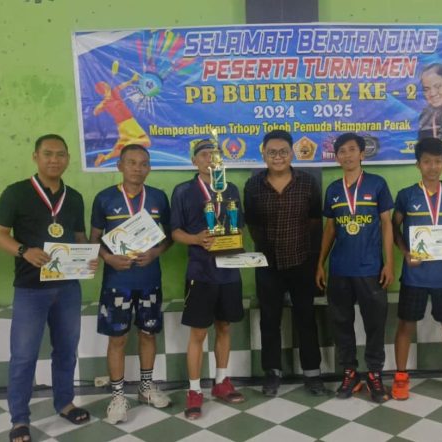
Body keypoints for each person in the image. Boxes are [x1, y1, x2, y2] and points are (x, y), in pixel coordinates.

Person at [0, 134, 97, 442]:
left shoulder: (74, 197)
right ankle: (19, 420)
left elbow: (78, 239)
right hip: (30, 289)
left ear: (67, 159)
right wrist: (24, 250)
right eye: (48, 154)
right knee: (24, 355)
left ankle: (64, 403)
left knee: (66, 350)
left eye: (61, 155)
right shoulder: (16, 193)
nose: (55, 160)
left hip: (67, 287)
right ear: (35, 156)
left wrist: (88, 258)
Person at [90, 144, 172, 424]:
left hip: (150, 280)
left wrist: (155, 253)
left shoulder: (159, 198)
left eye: (144, 163)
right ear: (120, 166)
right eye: (132, 162)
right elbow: (94, 240)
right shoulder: (104, 198)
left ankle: (146, 388)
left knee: (149, 334)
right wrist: (108, 259)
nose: (138, 168)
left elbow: (168, 238)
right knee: (118, 338)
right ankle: (117, 396)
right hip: (117, 282)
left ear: (149, 167)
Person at [390, 137, 442, 400]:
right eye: (427, 161)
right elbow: (393, 227)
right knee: (405, 324)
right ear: (418, 164)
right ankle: (401, 376)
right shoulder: (406, 195)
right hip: (414, 275)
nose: (433, 167)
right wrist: (405, 252)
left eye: (438, 161)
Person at [244, 130, 326, 397]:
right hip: (267, 265)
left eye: (282, 152)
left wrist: (314, 262)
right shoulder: (254, 185)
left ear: (291, 153)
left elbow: (315, 223)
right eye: (272, 152)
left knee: (305, 318)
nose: (277, 157)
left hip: (301, 262)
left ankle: (312, 374)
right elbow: (252, 224)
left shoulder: (307, 183)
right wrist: (267, 251)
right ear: (264, 154)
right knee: (269, 321)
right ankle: (272, 373)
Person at [316, 132, 394, 404]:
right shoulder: (333, 189)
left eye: (352, 150)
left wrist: (389, 264)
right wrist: (320, 264)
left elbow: (386, 225)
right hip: (340, 269)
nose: (347, 155)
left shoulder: (377, 184)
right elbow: (330, 228)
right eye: (342, 151)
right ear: (336, 157)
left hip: (371, 269)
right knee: (341, 324)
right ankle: (349, 372)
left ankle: (374, 374)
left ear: (362, 153)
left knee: (375, 324)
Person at [171, 139, 246, 420]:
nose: (210, 159)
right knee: (198, 333)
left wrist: (235, 241)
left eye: (215, 155)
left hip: (228, 271)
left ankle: (221, 382)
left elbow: (239, 226)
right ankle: (194, 390)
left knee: (225, 327)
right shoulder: (183, 191)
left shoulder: (232, 189)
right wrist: (195, 239)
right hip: (200, 273)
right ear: (195, 161)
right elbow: (175, 231)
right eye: (204, 155)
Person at [93, 74, 151, 167]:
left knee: (118, 150)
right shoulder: (105, 101)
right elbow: (95, 112)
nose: (107, 84)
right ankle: (128, 144)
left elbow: (123, 85)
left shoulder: (114, 92)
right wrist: (104, 102)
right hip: (128, 124)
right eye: (104, 84)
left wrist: (132, 79)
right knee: (146, 142)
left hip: (123, 126)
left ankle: (103, 158)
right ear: (103, 89)